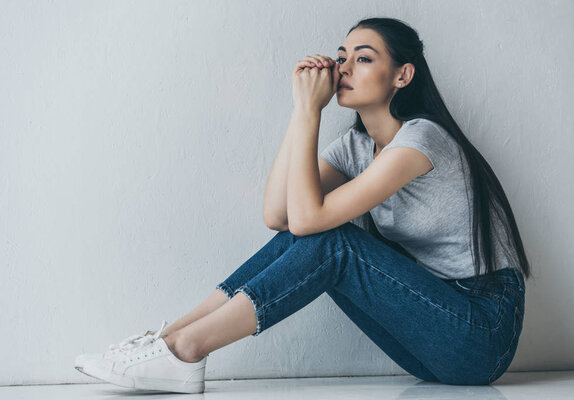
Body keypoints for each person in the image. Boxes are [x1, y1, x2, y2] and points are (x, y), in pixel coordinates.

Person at [75, 17, 531, 393]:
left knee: (332, 241)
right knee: (309, 234)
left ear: (402, 75)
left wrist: (312, 113)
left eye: (364, 58)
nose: (344, 67)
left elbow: (311, 219)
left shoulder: (422, 138)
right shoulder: (356, 146)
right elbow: (280, 215)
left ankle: (188, 350)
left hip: (482, 330)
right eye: (342, 56)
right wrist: (301, 110)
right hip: (432, 343)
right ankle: (168, 339)